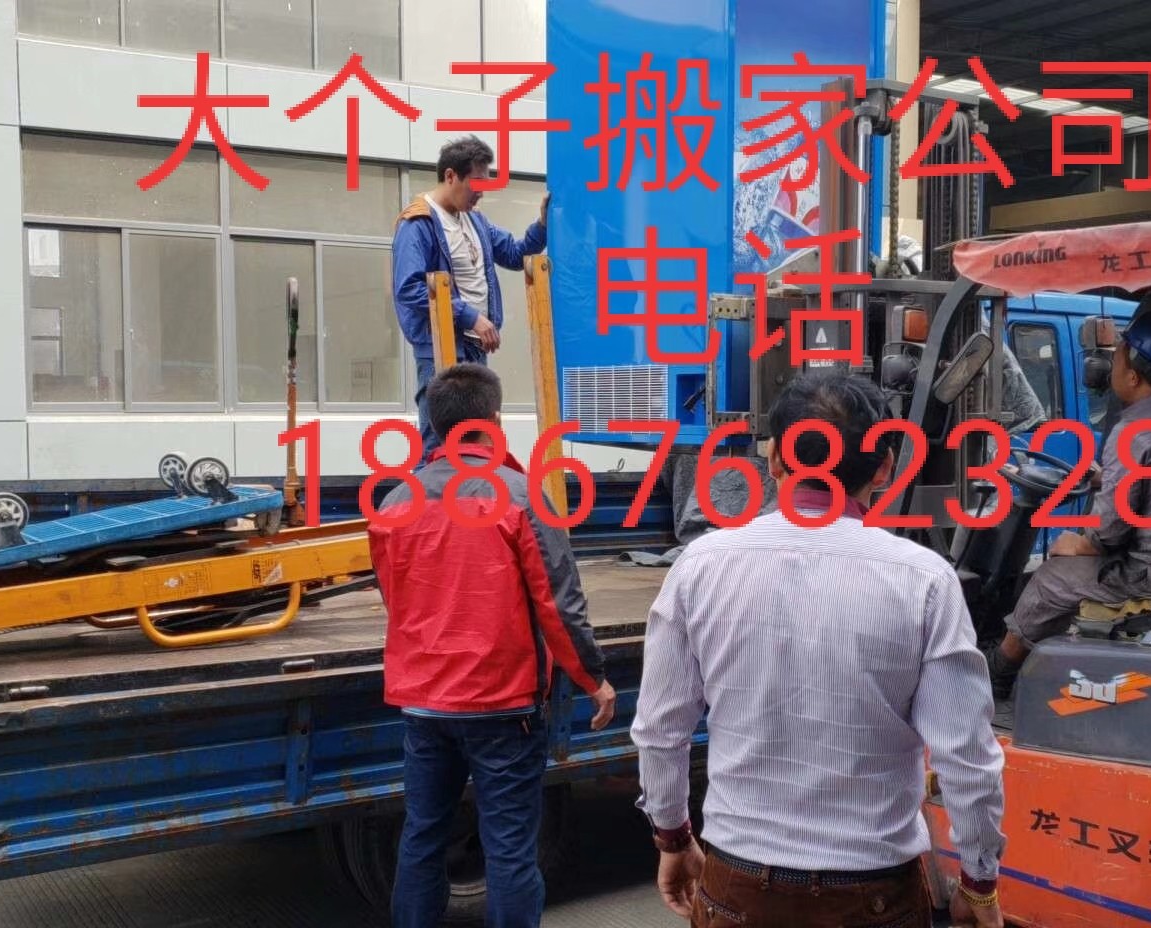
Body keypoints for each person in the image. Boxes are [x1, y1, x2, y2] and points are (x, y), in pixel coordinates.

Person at [631, 371, 1008, 928]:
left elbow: (660, 730)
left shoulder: (701, 566)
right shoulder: (924, 579)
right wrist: (978, 883)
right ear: (885, 468)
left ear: (774, 460)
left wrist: (672, 836)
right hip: (875, 895)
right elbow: (966, 757)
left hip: (738, 886)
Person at [366, 363, 617, 928]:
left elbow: (393, 595)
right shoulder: (521, 497)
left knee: (422, 836)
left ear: (435, 424)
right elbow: (558, 602)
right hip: (502, 706)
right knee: (508, 847)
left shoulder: (395, 502)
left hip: (423, 703)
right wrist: (593, 679)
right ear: (494, 422)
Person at [985, 310, 1151, 697]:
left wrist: (1080, 543)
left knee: (1051, 578)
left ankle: (998, 672)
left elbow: (1109, 531)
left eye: (1117, 356)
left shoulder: (1135, 430)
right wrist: (1104, 477)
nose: (1110, 365)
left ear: (1133, 377)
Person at [392, 135, 550, 455]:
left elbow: (515, 253)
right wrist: (470, 316)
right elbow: (408, 288)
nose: (481, 193)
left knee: (476, 441)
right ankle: (429, 490)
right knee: (438, 444)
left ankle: (470, 488)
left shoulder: (475, 220)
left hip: (476, 349)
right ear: (451, 176)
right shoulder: (418, 222)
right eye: (476, 184)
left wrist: (542, 225)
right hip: (439, 349)